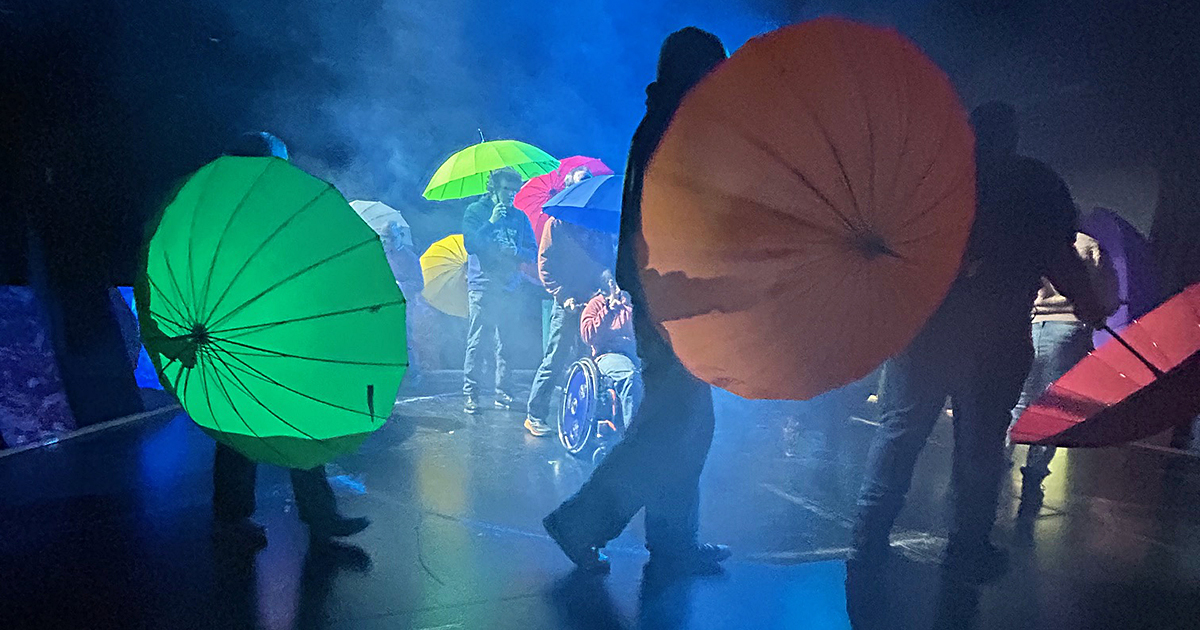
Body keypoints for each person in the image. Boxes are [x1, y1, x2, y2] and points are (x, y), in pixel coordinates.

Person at [847, 102, 1107, 584]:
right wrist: (1089, 302)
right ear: (1012, 138)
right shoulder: (1037, 186)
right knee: (981, 447)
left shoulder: (930, 179)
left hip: (924, 334)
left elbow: (883, 250)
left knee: (900, 435)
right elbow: (1059, 257)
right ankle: (967, 548)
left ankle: (866, 540)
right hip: (998, 338)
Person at [542, 27, 731, 575]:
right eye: (713, 69)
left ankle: (671, 540)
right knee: (673, 425)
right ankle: (581, 522)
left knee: (684, 423)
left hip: (667, 295)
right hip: (671, 299)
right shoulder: (677, 129)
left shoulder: (666, 122)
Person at [211, 132, 370, 551]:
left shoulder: (267, 206)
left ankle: (319, 515)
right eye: (279, 160)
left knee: (300, 425)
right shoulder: (229, 209)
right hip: (241, 338)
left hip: (279, 333)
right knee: (238, 432)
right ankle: (233, 518)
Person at [1010, 231, 1119, 516]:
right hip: (1070, 328)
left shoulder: (1038, 240)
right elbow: (1107, 294)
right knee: (1052, 406)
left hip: (1032, 324)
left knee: (1018, 400)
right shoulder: (1090, 246)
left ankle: (998, 459)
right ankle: (1034, 475)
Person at [524, 188, 616, 437]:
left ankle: (585, 414)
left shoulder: (597, 227)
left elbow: (605, 263)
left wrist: (608, 285)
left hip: (593, 301)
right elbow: (545, 265)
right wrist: (564, 297)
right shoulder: (557, 225)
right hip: (567, 301)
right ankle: (535, 415)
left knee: (591, 358)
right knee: (555, 358)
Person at [461, 167, 537, 414]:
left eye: (515, 190)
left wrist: (516, 252)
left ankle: (503, 391)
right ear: (493, 187)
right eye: (506, 189)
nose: (511, 195)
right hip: (483, 286)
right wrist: (491, 222)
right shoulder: (476, 211)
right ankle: (471, 393)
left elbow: (532, 252)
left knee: (507, 344)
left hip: (510, 287)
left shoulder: (519, 217)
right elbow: (471, 245)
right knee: (478, 342)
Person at [579, 270, 642, 426]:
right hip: (610, 355)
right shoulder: (596, 304)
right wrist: (609, 310)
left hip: (638, 354)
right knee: (630, 378)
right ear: (610, 284)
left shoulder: (634, 304)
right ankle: (632, 435)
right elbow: (589, 337)